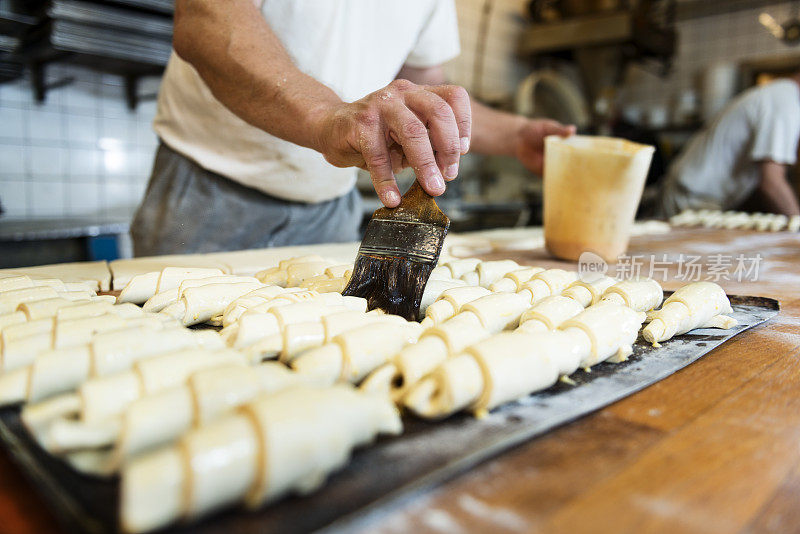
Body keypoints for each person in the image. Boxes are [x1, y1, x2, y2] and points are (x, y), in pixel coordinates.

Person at [131, 0, 575, 256]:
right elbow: (207, 21)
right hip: (209, 196)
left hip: (331, 211)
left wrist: (516, 136)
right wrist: (329, 117)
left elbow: (426, 94)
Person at [658, 74, 800, 218]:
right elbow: (772, 183)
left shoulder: (780, 96)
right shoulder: (785, 103)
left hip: (700, 197)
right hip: (690, 197)